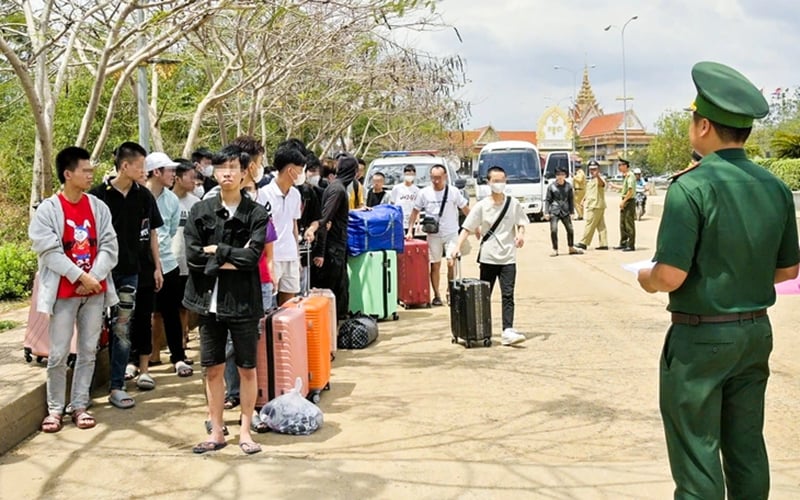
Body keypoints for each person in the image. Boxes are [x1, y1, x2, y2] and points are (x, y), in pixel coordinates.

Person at [637, 61, 800, 500]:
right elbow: (788, 271)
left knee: (697, 452)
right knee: (747, 446)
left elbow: (670, 275)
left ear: (704, 125)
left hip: (700, 340)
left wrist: (645, 278)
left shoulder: (691, 187)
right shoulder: (775, 188)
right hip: (754, 333)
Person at [183, 144, 268, 455]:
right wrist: (231, 256)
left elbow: (253, 256)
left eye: (233, 167)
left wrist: (216, 252)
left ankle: (245, 431)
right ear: (213, 172)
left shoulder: (256, 213)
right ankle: (216, 431)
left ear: (245, 173)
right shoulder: (200, 211)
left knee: (247, 368)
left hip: (243, 302)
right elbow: (192, 256)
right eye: (221, 168)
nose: (227, 174)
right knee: (213, 368)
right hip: (207, 302)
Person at [29, 146, 119, 432]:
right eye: (85, 170)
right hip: (64, 294)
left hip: (95, 292)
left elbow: (109, 245)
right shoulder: (48, 210)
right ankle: (55, 409)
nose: (91, 174)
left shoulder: (97, 206)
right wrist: (80, 276)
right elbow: (48, 252)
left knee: (88, 350)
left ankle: (80, 404)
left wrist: (94, 277)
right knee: (57, 353)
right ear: (68, 174)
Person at [89, 141, 163, 410]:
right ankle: (82, 392)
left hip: (131, 273)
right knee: (91, 330)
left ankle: (116, 386)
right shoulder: (98, 197)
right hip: (99, 274)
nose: (145, 171)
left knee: (122, 329)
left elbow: (152, 233)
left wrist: (157, 266)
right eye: (141, 166)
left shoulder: (144, 196)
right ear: (125, 166)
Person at [450, 166, 527, 346]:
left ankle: (507, 330)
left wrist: (521, 235)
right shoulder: (482, 206)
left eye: (502, 180)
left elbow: (521, 223)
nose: (499, 184)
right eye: (495, 181)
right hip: (488, 257)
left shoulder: (513, 203)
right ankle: (481, 329)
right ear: (488, 182)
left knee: (508, 294)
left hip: (508, 256)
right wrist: (457, 247)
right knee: (483, 295)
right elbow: (467, 228)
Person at [145, 152, 193, 379]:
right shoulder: (141, 196)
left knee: (171, 312)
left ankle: (178, 356)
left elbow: (171, 230)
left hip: (168, 263)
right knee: (143, 313)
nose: (174, 175)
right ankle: (139, 359)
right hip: (143, 264)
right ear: (156, 172)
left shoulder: (172, 200)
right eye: (170, 170)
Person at [405, 164, 470, 306]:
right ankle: (436, 295)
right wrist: (410, 230)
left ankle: (450, 291)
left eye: (438, 178)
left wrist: (473, 226)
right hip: (433, 234)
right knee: (435, 265)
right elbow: (415, 212)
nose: (436, 181)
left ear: (445, 177)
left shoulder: (453, 192)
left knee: (451, 262)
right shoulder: (424, 193)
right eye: (433, 178)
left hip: (451, 232)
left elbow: (465, 209)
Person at [304, 154, 358, 320]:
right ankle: (335, 324)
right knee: (335, 287)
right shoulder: (338, 189)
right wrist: (320, 249)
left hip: (337, 245)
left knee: (342, 284)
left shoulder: (337, 187)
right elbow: (324, 219)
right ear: (354, 172)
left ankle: (339, 321)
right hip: (332, 247)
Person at [258, 143, 304, 306]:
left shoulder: (296, 194)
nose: (301, 174)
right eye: (300, 170)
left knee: (289, 304)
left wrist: (297, 257)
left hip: (290, 255)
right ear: (291, 171)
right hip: (273, 257)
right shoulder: (264, 194)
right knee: (268, 304)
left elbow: (294, 226)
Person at [170, 159, 201, 347]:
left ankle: (182, 343)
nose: (195, 181)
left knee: (184, 307)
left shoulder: (196, 204)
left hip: (189, 263)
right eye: (191, 177)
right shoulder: (163, 200)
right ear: (178, 178)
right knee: (160, 311)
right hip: (168, 263)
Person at [544, 167, 582, 257]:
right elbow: (548, 200)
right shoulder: (551, 187)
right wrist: (546, 212)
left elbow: (571, 199)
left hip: (565, 211)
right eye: (558, 175)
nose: (560, 177)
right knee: (554, 230)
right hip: (554, 210)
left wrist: (572, 212)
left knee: (570, 229)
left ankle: (571, 247)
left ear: (565, 175)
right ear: (556, 176)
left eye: (562, 175)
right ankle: (555, 249)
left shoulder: (568, 186)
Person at [574, 160, 608, 251]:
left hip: (595, 205)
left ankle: (583, 243)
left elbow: (602, 184)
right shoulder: (591, 179)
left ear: (598, 169)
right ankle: (604, 244)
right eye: (591, 169)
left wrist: (597, 175)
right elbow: (589, 191)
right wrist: (583, 200)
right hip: (595, 205)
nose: (592, 171)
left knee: (589, 224)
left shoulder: (600, 178)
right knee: (601, 226)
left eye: (594, 169)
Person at [612, 159, 636, 251]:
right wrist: (614, 186)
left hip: (629, 201)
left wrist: (623, 201)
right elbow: (625, 188)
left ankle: (631, 245)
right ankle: (623, 243)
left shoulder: (631, 176)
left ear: (626, 166)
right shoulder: (626, 176)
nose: (619, 167)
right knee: (622, 224)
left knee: (629, 223)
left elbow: (630, 191)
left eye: (620, 165)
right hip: (626, 200)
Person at [389, 164, 420, 232]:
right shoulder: (397, 188)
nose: (409, 177)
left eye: (411, 174)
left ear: (414, 175)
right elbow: (392, 204)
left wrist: (418, 222)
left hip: (411, 222)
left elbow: (417, 208)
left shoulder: (417, 190)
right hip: (399, 220)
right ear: (404, 174)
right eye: (407, 174)